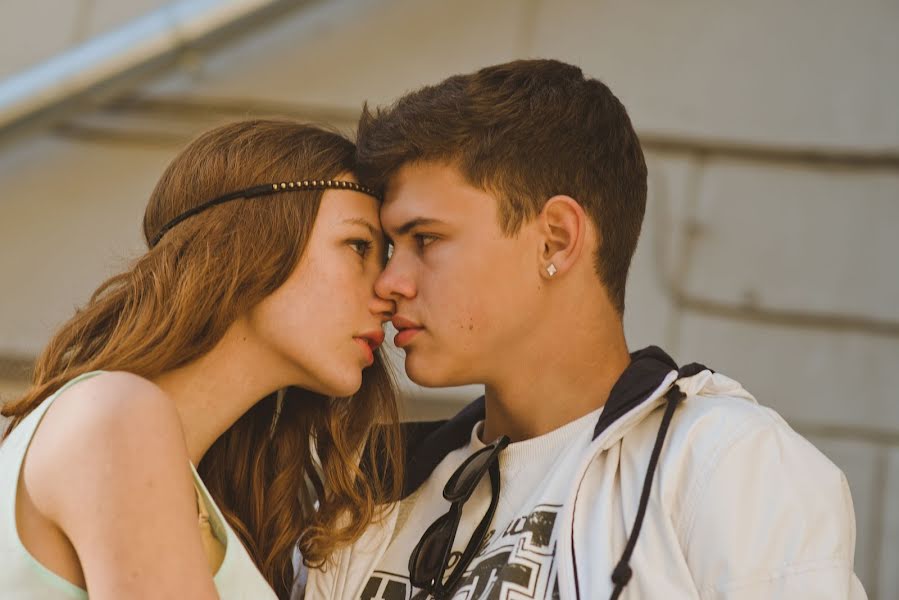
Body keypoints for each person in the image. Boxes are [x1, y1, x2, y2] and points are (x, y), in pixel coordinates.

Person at [303, 60, 867, 599]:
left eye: (424, 239)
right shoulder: (368, 492)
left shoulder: (724, 465)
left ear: (556, 238)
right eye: (389, 247)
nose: (389, 282)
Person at [0, 120, 404, 599]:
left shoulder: (173, 464)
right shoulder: (115, 414)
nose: (387, 290)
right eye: (359, 246)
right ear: (252, 239)